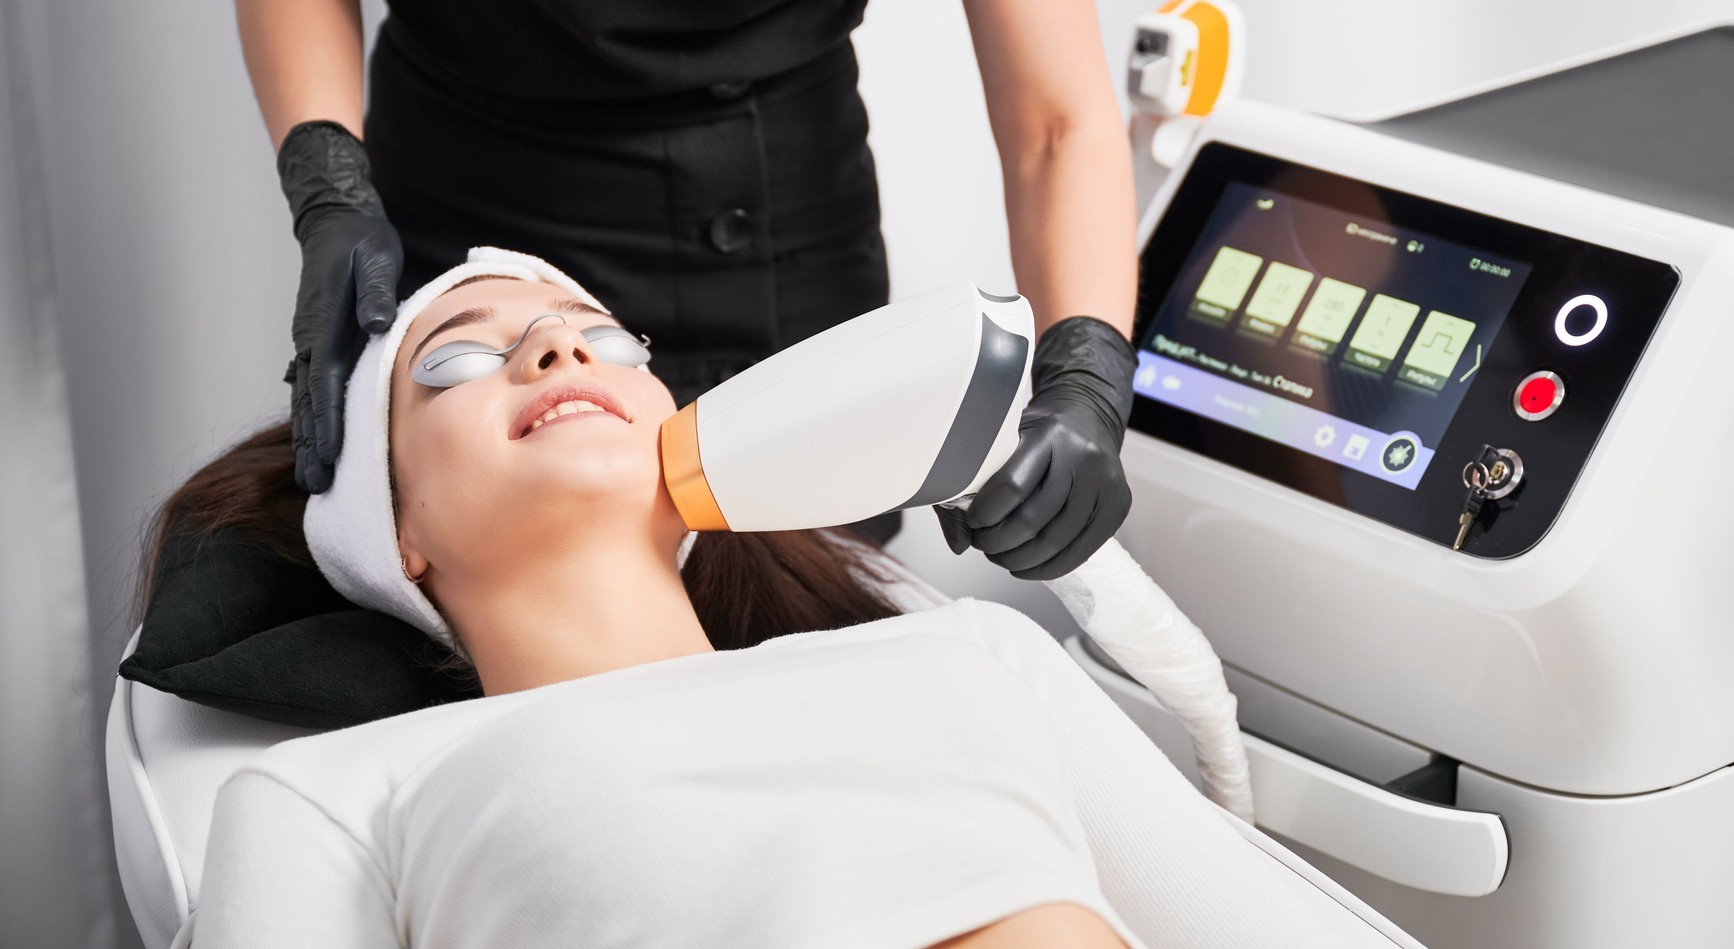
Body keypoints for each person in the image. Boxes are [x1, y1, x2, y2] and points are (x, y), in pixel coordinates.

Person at [162, 251, 1398, 948]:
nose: (561, 350)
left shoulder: (966, 653)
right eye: (458, 359)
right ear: (398, 532)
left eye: (599, 332)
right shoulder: (341, 789)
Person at [236, 0, 1140, 580]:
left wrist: (1089, 374)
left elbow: (1058, 125)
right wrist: (329, 188)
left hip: (765, 255)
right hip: (466, 235)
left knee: (786, 626)